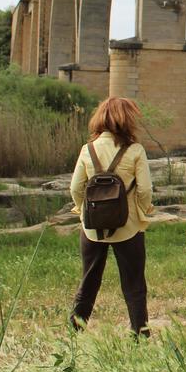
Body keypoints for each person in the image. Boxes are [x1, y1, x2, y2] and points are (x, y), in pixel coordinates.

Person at [69, 97, 154, 338]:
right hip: (128, 228)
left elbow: (76, 188)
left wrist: (82, 212)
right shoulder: (135, 150)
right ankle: (140, 334)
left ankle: (74, 331)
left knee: (89, 281)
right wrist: (141, 212)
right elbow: (145, 191)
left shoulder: (88, 149)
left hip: (92, 228)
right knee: (134, 284)